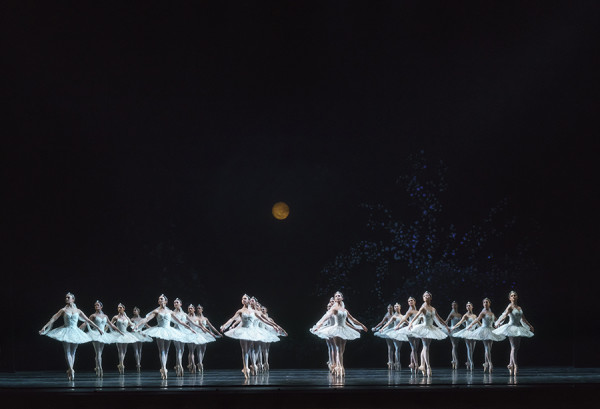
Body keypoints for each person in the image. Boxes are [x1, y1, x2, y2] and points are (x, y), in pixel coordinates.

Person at [39, 292, 103, 380]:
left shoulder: (78, 311)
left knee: (73, 352)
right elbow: (54, 318)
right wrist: (44, 327)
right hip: (66, 331)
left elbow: (87, 320)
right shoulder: (63, 310)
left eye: (68, 297)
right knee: (67, 351)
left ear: (73, 299)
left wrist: (98, 328)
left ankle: (70, 370)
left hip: (75, 331)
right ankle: (71, 369)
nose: (66, 299)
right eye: (66, 297)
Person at [133, 294, 197, 379]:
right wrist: (138, 325)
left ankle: (164, 368)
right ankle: (163, 367)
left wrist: (190, 328)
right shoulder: (156, 311)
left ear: (166, 301)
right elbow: (147, 319)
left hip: (168, 331)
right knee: (162, 350)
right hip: (159, 330)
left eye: (161, 299)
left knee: (166, 351)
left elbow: (180, 322)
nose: (160, 300)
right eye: (159, 299)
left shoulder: (170, 312)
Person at [220, 294, 282, 378]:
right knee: (244, 350)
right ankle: (245, 368)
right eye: (242, 298)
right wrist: (225, 325)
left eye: (245, 298)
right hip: (243, 330)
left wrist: (274, 326)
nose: (243, 300)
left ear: (248, 300)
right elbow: (232, 319)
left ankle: (253, 365)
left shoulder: (254, 311)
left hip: (251, 330)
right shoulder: (240, 311)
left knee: (250, 349)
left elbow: (263, 320)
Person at [312, 291, 368, 377]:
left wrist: (361, 325)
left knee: (342, 350)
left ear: (342, 298)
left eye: (339, 296)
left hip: (344, 329)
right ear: (334, 298)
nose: (338, 297)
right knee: (337, 348)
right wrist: (318, 326)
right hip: (336, 329)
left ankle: (340, 366)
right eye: (336, 296)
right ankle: (339, 367)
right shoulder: (333, 309)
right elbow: (325, 317)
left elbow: (352, 319)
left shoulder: (345, 310)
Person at [407, 291, 450, 377]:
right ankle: (428, 367)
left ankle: (422, 365)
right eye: (425, 296)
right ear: (423, 298)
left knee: (426, 347)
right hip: (424, 328)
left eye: (428, 296)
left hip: (431, 328)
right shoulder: (423, 307)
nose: (426, 297)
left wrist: (446, 326)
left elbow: (439, 318)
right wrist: (411, 323)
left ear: (431, 298)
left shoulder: (433, 309)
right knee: (426, 347)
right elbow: (417, 316)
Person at [493, 291, 534, 375]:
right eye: (512, 296)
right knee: (514, 347)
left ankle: (510, 364)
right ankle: (515, 366)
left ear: (517, 297)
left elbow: (523, 319)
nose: (514, 297)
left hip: (518, 328)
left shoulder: (519, 308)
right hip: (511, 327)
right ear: (509, 298)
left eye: (515, 295)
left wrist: (530, 326)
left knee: (516, 347)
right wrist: (498, 323)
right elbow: (505, 315)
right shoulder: (510, 307)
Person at [80, 300, 123, 377]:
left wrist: (119, 331)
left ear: (101, 306)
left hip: (103, 335)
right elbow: (86, 322)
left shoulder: (105, 316)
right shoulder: (93, 316)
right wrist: (79, 329)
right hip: (95, 334)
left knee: (100, 353)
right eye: (95, 305)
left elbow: (111, 325)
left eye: (97, 305)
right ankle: (100, 368)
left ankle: (98, 367)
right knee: (98, 353)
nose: (96, 306)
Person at [463, 298, 505, 372]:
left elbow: (496, 320)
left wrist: (499, 325)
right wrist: (471, 325)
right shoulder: (483, 313)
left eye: (487, 302)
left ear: (489, 303)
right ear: (483, 304)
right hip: (484, 330)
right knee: (487, 348)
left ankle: (486, 364)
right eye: (484, 302)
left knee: (489, 349)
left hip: (491, 330)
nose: (485, 303)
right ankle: (490, 363)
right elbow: (477, 320)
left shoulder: (492, 313)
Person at [185, 304, 218, 373]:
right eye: (189, 308)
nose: (198, 309)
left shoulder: (201, 319)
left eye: (200, 308)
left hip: (200, 334)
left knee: (202, 349)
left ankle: (198, 363)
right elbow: (185, 325)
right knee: (192, 350)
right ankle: (193, 364)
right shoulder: (187, 317)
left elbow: (204, 327)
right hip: (193, 334)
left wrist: (212, 333)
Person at [393, 297, 421, 372]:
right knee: (413, 348)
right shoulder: (409, 311)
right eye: (409, 301)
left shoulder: (418, 311)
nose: (410, 302)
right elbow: (404, 319)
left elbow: (422, 319)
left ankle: (412, 363)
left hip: (417, 330)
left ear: (415, 301)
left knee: (415, 349)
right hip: (410, 330)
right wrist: (398, 326)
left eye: (411, 300)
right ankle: (416, 365)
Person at [110, 303, 140, 374]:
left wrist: (136, 327)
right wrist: (106, 330)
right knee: (120, 350)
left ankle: (120, 364)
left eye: (120, 307)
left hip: (125, 334)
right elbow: (110, 324)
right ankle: (121, 364)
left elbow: (131, 324)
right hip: (118, 334)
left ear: (124, 308)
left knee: (124, 351)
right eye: (118, 308)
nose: (119, 309)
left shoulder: (127, 318)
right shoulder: (115, 317)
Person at [375, 303, 406, 370]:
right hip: (393, 332)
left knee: (398, 349)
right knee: (392, 347)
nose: (396, 307)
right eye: (395, 306)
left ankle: (397, 363)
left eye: (397, 306)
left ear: (400, 307)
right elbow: (386, 323)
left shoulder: (403, 316)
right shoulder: (392, 316)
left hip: (400, 332)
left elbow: (406, 323)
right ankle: (394, 363)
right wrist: (381, 328)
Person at [451, 301, 479, 370]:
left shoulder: (475, 316)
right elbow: (460, 322)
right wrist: (454, 327)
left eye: (469, 305)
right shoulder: (465, 315)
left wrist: (482, 328)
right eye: (467, 306)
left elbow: (478, 323)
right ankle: (471, 363)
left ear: (472, 307)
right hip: (467, 332)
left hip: (474, 332)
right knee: (469, 348)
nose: (468, 307)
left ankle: (468, 362)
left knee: (472, 349)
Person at [129, 306, 153, 372]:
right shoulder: (132, 319)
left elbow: (147, 326)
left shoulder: (143, 319)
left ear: (138, 311)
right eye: (133, 310)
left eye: (135, 310)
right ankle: (138, 364)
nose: (134, 311)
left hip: (141, 335)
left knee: (140, 350)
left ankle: (139, 363)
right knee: (136, 350)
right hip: (134, 334)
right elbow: (131, 326)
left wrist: (154, 329)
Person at [445, 301, 463, 369]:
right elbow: (446, 322)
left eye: (455, 305)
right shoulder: (451, 314)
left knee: (455, 346)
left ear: (457, 306)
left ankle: (453, 361)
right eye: (453, 305)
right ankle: (456, 360)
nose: (454, 306)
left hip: (458, 330)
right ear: (452, 306)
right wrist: (448, 328)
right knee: (454, 346)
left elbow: (462, 323)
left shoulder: (460, 315)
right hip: (452, 330)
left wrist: (468, 327)